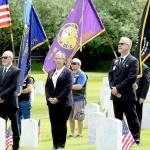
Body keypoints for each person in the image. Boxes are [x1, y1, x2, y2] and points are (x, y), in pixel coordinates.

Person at [108, 37, 140, 144]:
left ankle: (135, 138)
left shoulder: (133, 61)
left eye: (122, 43)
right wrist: (113, 88)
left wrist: (118, 88)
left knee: (131, 118)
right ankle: (120, 137)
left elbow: (131, 78)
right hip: (115, 95)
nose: (119, 45)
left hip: (127, 95)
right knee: (118, 118)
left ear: (128, 46)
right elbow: (110, 76)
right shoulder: (115, 61)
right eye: (119, 43)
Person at [45, 51, 73, 150]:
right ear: (54, 60)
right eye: (56, 58)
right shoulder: (51, 72)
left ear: (64, 60)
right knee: (54, 124)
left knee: (61, 124)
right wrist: (49, 98)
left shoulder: (68, 72)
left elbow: (68, 88)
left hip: (64, 103)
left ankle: (61, 145)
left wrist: (58, 99)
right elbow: (47, 87)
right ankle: (55, 144)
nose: (57, 60)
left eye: (60, 58)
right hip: (52, 103)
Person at [0, 50, 20, 150]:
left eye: (5, 57)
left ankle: (15, 147)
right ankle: (2, 145)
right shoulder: (0, 70)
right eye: (2, 57)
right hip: (1, 104)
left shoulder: (16, 71)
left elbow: (13, 86)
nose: (3, 59)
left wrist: (2, 96)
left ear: (11, 58)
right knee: (1, 125)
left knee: (14, 127)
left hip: (11, 104)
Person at [69, 58, 87, 137]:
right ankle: (72, 133)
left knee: (80, 117)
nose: (72, 65)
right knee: (70, 117)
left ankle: (80, 133)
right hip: (69, 98)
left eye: (74, 63)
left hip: (79, 99)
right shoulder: (70, 73)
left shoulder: (82, 74)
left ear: (79, 65)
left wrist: (68, 87)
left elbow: (79, 86)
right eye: (72, 63)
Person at [136, 64, 150, 137]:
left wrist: (142, 97)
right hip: (127, 96)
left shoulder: (145, 68)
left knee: (137, 116)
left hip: (138, 97)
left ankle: (136, 136)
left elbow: (146, 83)